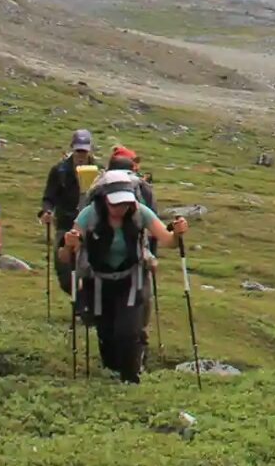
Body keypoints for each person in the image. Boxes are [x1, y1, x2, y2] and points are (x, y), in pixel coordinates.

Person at [58, 185, 187, 383]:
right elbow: (65, 256)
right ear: (105, 200)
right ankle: (112, 371)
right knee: (106, 332)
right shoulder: (88, 215)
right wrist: (68, 244)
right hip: (99, 282)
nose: (121, 208)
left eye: (125, 203)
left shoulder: (140, 212)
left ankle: (130, 378)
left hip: (130, 280)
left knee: (128, 331)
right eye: (116, 203)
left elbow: (168, 240)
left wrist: (177, 233)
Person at [40, 130, 96, 297]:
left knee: (90, 267)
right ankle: (77, 295)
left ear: (89, 150)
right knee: (63, 269)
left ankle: (86, 302)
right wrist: (46, 211)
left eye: (84, 151)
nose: (81, 154)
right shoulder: (59, 170)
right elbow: (48, 197)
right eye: (78, 150)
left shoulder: (98, 171)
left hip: (90, 226)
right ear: (72, 148)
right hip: (65, 224)